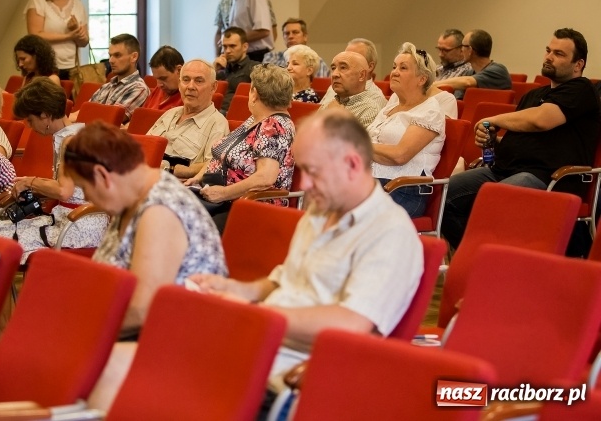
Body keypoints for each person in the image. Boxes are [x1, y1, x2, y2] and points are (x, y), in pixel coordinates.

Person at [85, 109, 422, 411]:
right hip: (254, 343)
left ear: (351, 164)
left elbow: (353, 324)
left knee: (126, 370)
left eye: (313, 171)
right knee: (107, 361)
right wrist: (238, 289)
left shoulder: (389, 232)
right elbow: (283, 280)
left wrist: (254, 315)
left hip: (293, 368)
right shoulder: (321, 211)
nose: (303, 184)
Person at [63, 121, 227, 336]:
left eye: (84, 187)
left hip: (176, 339)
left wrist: (76, 325)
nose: (85, 196)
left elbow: (142, 310)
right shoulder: (132, 195)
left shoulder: (160, 210)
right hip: (136, 332)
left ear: (103, 175)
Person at [442, 28, 600, 250]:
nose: (549, 56)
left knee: (495, 198)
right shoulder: (533, 96)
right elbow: (519, 140)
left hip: (549, 178)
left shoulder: (582, 90)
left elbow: (542, 120)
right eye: (548, 50)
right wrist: (493, 140)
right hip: (504, 171)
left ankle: (490, 262)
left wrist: (495, 119)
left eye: (559, 54)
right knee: (443, 196)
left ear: (578, 65)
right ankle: (475, 257)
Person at [0, 78, 106, 260]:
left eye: (30, 120)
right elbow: (70, 187)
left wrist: (31, 182)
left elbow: (64, 191)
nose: (28, 126)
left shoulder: (70, 142)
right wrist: (32, 182)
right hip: (74, 221)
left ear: (45, 115)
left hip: (78, 226)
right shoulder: (75, 134)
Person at [186, 64, 295, 232]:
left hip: (248, 206)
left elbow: (265, 178)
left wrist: (223, 193)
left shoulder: (274, 126)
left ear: (254, 94)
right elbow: (222, 152)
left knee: (180, 225)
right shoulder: (255, 119)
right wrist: (198, 177)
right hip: (219, 197)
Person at [368, 44, 444, 218]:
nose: (394, 72)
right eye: (394, 67)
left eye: (403, 68)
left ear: (422, 79)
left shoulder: (429, 112)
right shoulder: (392, 106)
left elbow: (400, 155)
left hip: (404, 190)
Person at [147, 60, 230, 179]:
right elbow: (144, 147)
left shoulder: (217, 124)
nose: (190, 86)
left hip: (175, 187)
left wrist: (169, 170)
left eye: (199, 81)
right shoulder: (170, 114)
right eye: (186, 80)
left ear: (213, 87)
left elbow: (212, 166)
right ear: (180, 84)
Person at [25, 0, 89, 80]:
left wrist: (75, 30)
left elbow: (84, 42)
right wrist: (68, 36)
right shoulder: (38, 1)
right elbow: (35, 35)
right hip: (45, 67)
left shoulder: (78, 5)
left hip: (72, 68)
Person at [70, 33, 149, 124]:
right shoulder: (107, 86)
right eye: (110, 55)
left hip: (105, 136)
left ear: (134, 57)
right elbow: (82, 112)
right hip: (89, 131)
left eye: (117, 55)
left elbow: (110, 119)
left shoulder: (138, 88)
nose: (111, 60)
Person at [433, 29, 511, 99]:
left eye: (463, 46)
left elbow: (467, 82)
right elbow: (458, 99)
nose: (461, 50)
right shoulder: (470, 73)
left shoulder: (498, 70)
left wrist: (432, 86)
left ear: (470, 50)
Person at [320, 51, 387, 128]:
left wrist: (336, 117)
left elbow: (356, 140)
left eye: (343, 68)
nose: (334, 74)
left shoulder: (369, 110)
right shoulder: (330, 103)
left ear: (361, 75)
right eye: (333, 68)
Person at [319, 38, 386, 107]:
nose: (335, 74)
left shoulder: (376, 100)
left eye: (355, 56)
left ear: (370, 66)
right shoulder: (336, 86)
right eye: (333, 68)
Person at [214, 26, 260, 114]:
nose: (227, 51)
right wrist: (213, 70)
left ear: (245, 47)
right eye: (224, 46)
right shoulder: (219, 69)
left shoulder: (255, 69)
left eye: (232, 46)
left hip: (239, 116)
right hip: (215, 113)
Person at [262, 18, 329, 78]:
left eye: (295, 32)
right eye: (287, 33)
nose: (290, 36)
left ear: (305, 36)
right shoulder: (271, 57)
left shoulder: (317, 62)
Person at [141, 45, 184, 111]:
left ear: (179, 70)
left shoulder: (189, 97)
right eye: (156, 79)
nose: (158, 85)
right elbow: (140, 115)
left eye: (163, 78)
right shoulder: (158, 90)